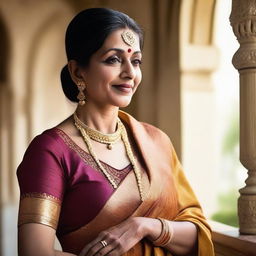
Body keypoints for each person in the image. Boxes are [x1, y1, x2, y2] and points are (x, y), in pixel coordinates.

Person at [17, 8, 214, 256]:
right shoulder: (50, 151)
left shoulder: (156, 142)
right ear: (78, 71)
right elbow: (34, 252)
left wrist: (144, 226)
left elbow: (198, 234)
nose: (130, 73)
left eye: (136, 61)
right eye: (113, 59)